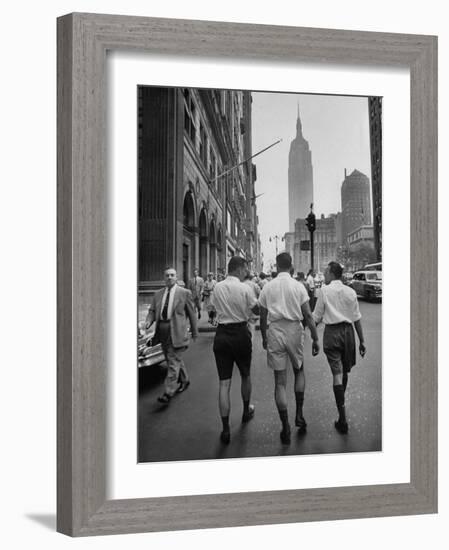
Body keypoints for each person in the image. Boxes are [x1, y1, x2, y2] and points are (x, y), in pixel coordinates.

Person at [259, 253, 320, 444]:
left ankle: (285, 426)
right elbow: (308, 315)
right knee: (299, 371)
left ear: (276, 266)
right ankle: (299, 415)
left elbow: (262, 316)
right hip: (294, 329)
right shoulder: (298, 286)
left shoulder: (267, 287)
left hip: (275, 330)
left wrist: (263, 337)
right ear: (290, 265)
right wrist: (315, 338)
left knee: (279, 382)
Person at [313, 261, 366, 434]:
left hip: (332, 334)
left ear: (332, 273)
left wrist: (308, 332)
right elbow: (356, 318)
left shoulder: (324, 291)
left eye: (326, 272)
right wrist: (362, 341)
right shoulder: (350, 292)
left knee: (337, 373)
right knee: (344, 373)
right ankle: (342, 404)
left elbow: (317, 316)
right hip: (348, 333)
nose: (324, 275)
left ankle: (342, 417)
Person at [210, 256, 259, 444]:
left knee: (224, 383)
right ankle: (246, 411)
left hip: (221, 335)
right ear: (238, 269)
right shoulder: (245, 288)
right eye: (245, 268)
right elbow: (256, 310)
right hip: (240, 333)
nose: (246, 272)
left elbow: (211, 308)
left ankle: (225, 429)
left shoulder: (217, 287)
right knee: (245, 375)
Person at [145, 267, 198, 404]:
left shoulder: (184, 293)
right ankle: (185, 380)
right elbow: (152, 311)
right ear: (164, 277)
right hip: (162, 331)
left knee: (173, 361)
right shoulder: (158, 294)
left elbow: (192, 314)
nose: (169, 277)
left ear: (176, 277)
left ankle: (168, 392)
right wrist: (148, 322)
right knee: (171, 359)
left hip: (177, 331)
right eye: (167, 275)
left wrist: (194, 332)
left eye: (172, 275)